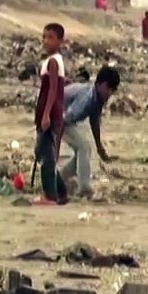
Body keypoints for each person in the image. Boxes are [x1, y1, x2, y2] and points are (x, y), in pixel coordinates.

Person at [59, 66, 120, 199]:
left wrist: (100, 147)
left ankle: (59, 178)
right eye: (108, 88)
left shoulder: (98, 99)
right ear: (99, 84)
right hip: (56, 116)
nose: (110, 93)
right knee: (84, 147)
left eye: (113, 90)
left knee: (84, 151)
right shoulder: (87, 99)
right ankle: (85, 188)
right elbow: (63, 120)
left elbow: (94, 121)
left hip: (64, 119)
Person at [33, 23, 67, 205]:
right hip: (52, 112)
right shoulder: (54, 60)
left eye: (51, 37)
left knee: (46, 156)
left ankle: (50, 196)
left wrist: (45, 114)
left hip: (50, 113)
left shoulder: (53, 61)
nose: (46, 41)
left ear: (60, 41)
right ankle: (61, 192)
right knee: (47, 153)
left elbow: (52, 90)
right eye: (44, 37)